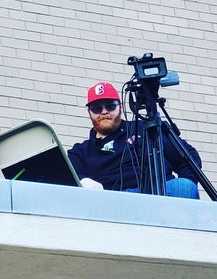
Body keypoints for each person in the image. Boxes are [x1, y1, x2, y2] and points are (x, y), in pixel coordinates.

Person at [68, 81, 201, 199]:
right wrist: (83, 180)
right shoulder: (80, 151)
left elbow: (189, 157)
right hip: (112, 201)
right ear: (89, 112)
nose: (104, 112)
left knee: (184, 187)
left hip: (157, 193)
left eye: (110, 106)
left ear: (120, 107)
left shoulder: (145, 128)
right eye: (97, 108)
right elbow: (65, 175)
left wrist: (188, 186)